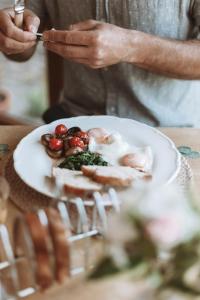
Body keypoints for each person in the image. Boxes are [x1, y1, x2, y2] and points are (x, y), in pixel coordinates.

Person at [0, 1, 200, 126]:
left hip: (171, 131)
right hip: (74, 125)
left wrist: (133, 47)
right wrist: (12, 35)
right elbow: (23, 46)